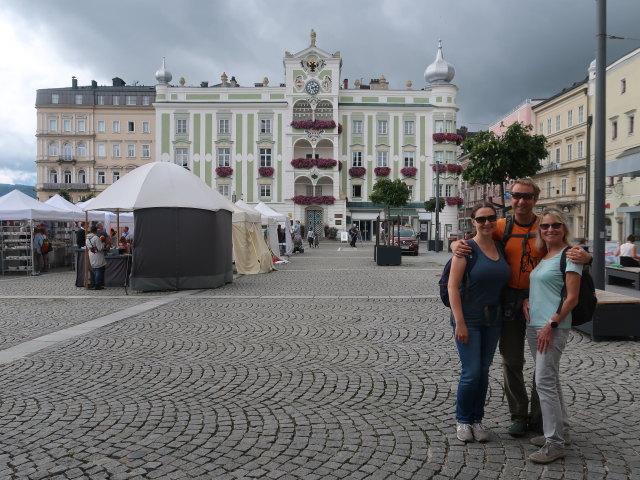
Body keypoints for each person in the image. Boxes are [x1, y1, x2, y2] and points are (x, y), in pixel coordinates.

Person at [451, 178, 591, 437]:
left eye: (527, 196)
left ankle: (540, 419)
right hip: (508, 301)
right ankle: (518, 414)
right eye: (516, 195)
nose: (521, 201)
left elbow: (566, 251)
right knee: (511, 361)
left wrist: (588, 256)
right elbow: (473, 240)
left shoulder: (546, 226)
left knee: (543, 364)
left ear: (535, 199)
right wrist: (454, 246)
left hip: (540, 301)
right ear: (510, 197)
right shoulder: (500, 226)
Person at [449, 202, 511, 443]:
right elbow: (453, 287)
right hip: (469, 318)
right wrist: (460, 322)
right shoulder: (466, 250)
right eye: (481, 219)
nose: (487, 223)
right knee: (471, 372)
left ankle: (477, 419)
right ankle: (463, 420)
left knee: (483, 372)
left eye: (490, 218)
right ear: (473, 222)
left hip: (493, 319)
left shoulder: (500, 247)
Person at [523, 208, 581, 464]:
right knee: (551, 379)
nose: (550, 230)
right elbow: (545, 287)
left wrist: (552, 324)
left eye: (555, 226)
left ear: (564, 228)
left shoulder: (571, 255)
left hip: (552, 327)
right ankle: (563, 431)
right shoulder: (547, 255)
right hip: (535, 325)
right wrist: (528, 298)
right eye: (545, 226)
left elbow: (572, 298)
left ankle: (554, 443)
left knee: (543, 382)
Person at [85, 225, 106, 290]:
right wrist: (103, 244)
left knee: (95, 269)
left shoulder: (87, 238)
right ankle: (97, 285)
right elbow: (99, 248)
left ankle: (96, 284)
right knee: (99, 269)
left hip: (91, 254)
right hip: (97, 255)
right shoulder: (96, 238)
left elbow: (88, 247)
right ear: (95, 230)